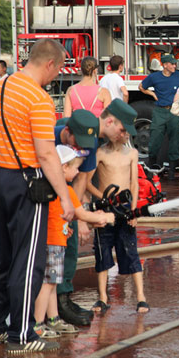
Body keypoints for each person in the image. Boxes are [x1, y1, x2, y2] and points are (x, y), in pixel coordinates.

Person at [0, 38, 74, 354]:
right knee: (28, 260)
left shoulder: (0, 88)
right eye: (59, 69)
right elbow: (47, 154)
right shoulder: (38, 98)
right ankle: (21, 335)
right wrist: (64, 197)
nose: (57, 75)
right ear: (50, 64)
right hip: (28, 183)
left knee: (0, 256)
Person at [55, 101, 138, 327]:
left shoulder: (91, 141)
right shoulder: (72, 131)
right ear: (109, 121)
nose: (123, 136)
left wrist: (77, 215)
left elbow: (82, 178)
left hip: (68, 203)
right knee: (53, 251)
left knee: (69, 248)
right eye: (122, 130)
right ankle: (53, 305)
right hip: (48, 201)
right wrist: (80, 217)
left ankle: (63, 298)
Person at [33, 145, 114, 339]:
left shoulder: (52, 187)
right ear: (62, 167)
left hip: (55, 240)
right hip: (53, 243)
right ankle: (36, 324)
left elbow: (67, 216)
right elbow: (81, 213)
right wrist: (105, 217)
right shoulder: (65, 190)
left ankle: (53, 319)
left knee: (52, 283)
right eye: (75, 167)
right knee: (48, 285)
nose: (78, 171)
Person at [89, 132, 150, 314]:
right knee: (102, 250)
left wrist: (133, 211)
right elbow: (87, 182)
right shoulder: (100, 153)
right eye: (123, 132)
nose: (126, 135)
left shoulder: (132, 153)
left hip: (125, 208)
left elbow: (134, 184)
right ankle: (102, 298)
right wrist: (104, 199)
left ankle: (141, 297)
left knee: (131, 250)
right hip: (105, 209)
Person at [140, 54, 179, 178]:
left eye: (174, 64)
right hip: (160, 111)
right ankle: (152, 167)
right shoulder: (154, 77)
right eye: (172, 64)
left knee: (175, 139)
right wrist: (152, 94)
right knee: (155, 137)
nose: (174, 66)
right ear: (165, 65)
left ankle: (172, 170)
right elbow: (141, 86)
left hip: (174, 111)